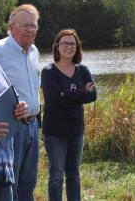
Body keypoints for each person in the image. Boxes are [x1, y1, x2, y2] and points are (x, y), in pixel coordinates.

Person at [0, 4, 41, 201]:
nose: (29, 30)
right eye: (24, 25)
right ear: (11, 27)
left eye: (33, 25)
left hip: (32, 124)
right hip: (9, 128)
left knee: (28, 182)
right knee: (12, 183)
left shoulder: (34, 51)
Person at [41, 29, 97, 201]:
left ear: (77, 47)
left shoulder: (82, 70)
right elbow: (55, 99)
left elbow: (92, 96)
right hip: (55, 131)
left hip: (76, 129)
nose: (69, 46)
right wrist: (80, 93)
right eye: (65, 43)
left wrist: (67, 92)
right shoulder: (48, 71)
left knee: (74, 174)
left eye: (72, 43)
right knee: (56, 175)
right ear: (57, 46)